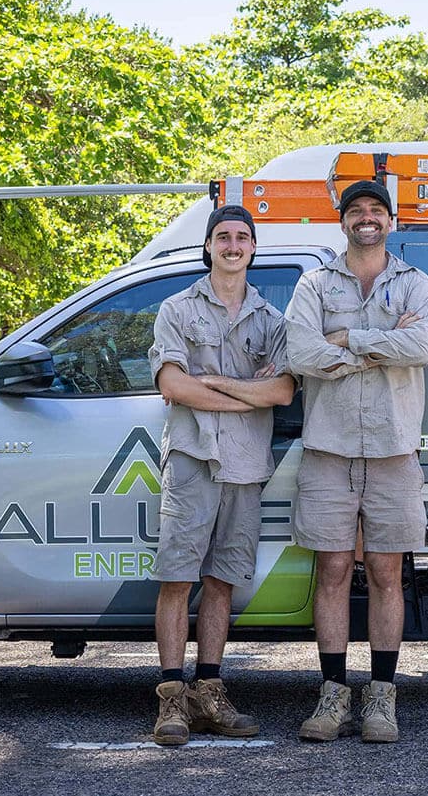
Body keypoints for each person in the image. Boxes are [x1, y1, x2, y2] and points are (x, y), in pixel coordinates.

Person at [285, 180, 428, 743]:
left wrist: (345, 338)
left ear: (390, 222)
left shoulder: (417, 284)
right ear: (343, 222)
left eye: (376, 210)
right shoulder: (314, 283)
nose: (367, 219)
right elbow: (300, 351)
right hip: (328, 451)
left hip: (395, 452)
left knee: (385, 574)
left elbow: (420, 349)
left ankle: (380, 697)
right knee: (329, 572)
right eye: (356, 212)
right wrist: (376, 348)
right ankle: (331, 695)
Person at [147, 204, 296, 746]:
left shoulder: (273, 322)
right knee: (177, 578)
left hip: (246, 468)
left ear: (253, 248)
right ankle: (171, 698)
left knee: (222, 581)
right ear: (208, 246)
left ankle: (209, 693)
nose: (233, 245)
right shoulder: (176, 308)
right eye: (223, 237)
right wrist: (244, 391)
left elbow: (281, 392)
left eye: (242, 238)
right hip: (192, 461)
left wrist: (211, 381)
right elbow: (173, 387)